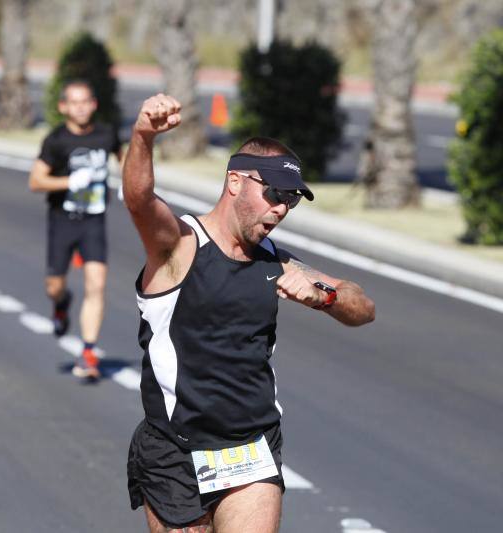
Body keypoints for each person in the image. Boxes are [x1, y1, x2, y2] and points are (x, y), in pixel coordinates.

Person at [123, 94, 375, 532]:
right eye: (274, 193)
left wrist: (325, 297)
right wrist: (144, 136)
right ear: (236, 182)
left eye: (291, 199)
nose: (281, 208)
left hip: (250, 446)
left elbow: (363, 308)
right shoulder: (179, 246)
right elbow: (139, 200)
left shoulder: (274, 260)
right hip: (175, 450)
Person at [28, 80, 122, 380]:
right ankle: (61, 304)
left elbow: (123, 158)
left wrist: (131, 183)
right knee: (54, 286)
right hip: (63, 220)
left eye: (85, 102)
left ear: (93, 105)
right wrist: (69, 181)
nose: (80, 108)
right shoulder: (56, 141)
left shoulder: (106, 134)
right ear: (63, 107)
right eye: (74, 103)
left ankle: (88, 352)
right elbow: (35, 181)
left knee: (96, 285)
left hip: (94, 220)